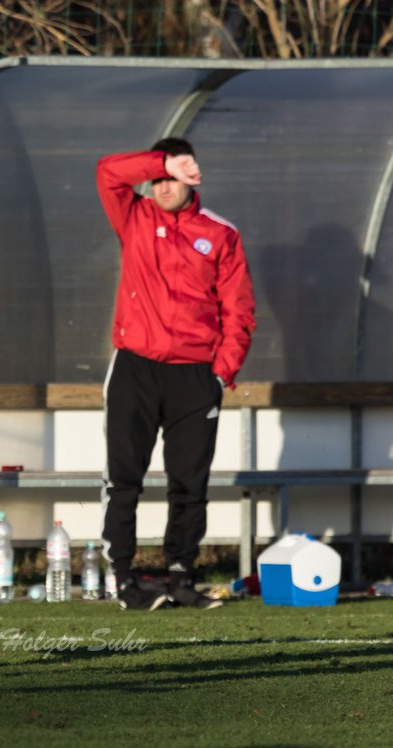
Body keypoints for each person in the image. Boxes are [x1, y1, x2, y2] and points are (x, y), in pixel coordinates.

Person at [96, 138, 255, 611]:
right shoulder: (135, 215)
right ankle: (124, 581)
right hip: (135, 370)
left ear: (193, 177)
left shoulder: (220, 233)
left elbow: (239, 310)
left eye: (174, 177)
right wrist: (161, 161)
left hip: (195, 377)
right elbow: (107, 170)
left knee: (190, 482)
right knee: (124, 479)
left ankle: (181, 577)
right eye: (158, 177)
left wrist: (221, 371)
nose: (164, 186)